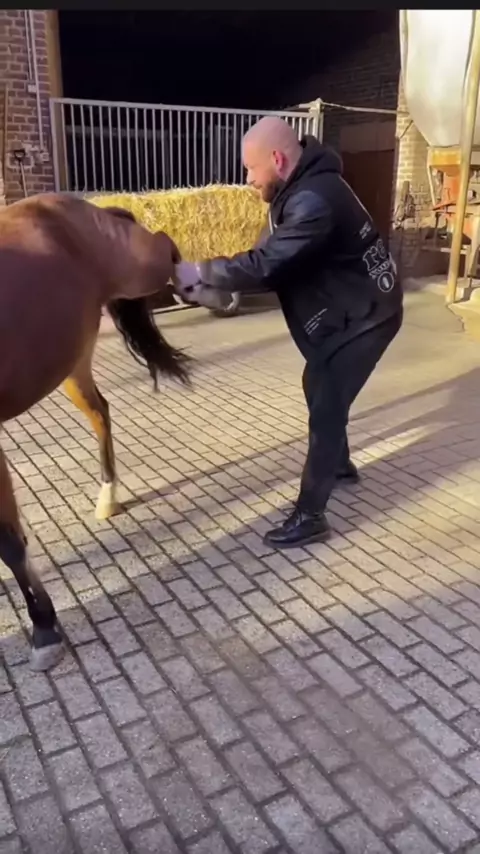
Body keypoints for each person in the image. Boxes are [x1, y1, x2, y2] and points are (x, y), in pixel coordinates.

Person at [174, 116, 403, 549]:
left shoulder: (313, 200)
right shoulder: (301, 190)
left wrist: (200, 272)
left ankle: (311, 516)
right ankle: (339, 464)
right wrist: (207, 289)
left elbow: (267, 264)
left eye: (250, 168)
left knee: (326, 402)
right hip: (354, 305)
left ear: (277, 160)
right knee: (317, 384)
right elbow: (270, 260)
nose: (247, 179)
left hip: (369, 314)